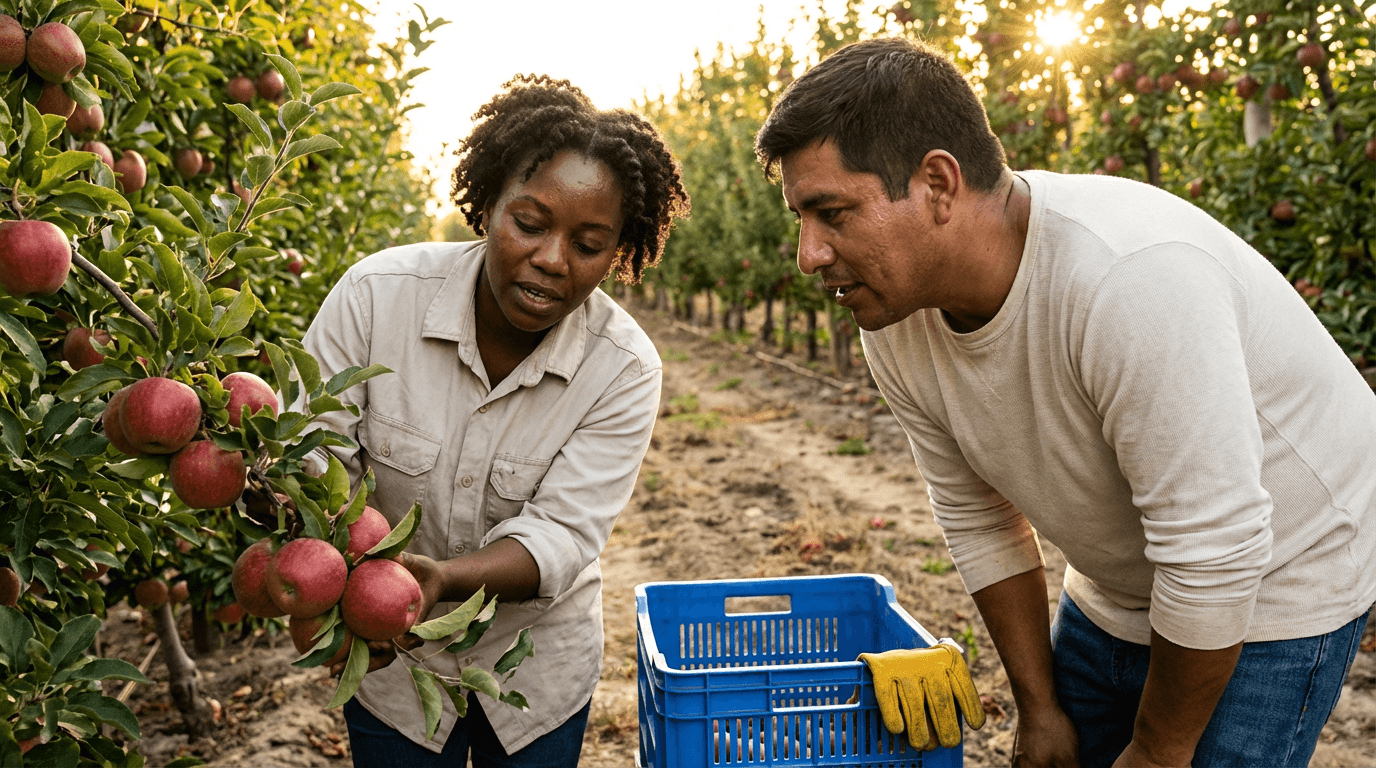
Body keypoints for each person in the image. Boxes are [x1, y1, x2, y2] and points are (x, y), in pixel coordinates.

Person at [754, 36, 1376, 768]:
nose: (809, 254)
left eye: (832, 213)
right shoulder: (895, 318)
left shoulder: (1129, 278)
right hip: (1126, 575)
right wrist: (1038, 706)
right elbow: (978, 515)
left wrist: (1158, 750)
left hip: (1281, 571)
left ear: (939, 185)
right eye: (801, 220)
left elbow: (1214, 552)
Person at [299, 74, 689, 767]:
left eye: (588, 244)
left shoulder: (623, 368)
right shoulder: (375, 299)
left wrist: (444, 580)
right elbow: (312, 456)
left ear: (619, 252)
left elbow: (562, 532)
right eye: (529, 224)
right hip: (388, 658)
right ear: (486, 206)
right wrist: (334, 579)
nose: (552, 259)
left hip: (533, 667)